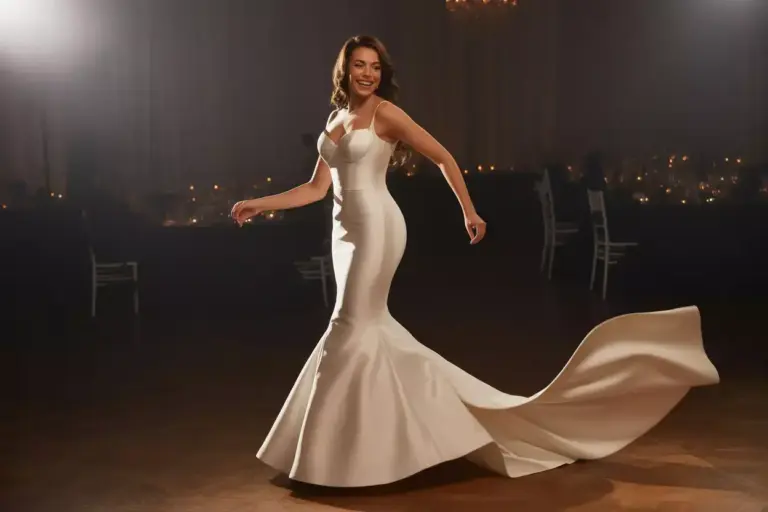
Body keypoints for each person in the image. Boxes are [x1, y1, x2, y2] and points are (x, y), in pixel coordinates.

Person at [231, 35, 719, 488]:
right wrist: (260, 203)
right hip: (344, 235)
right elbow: (316, 188)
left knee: (349, 325)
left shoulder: (386, 113)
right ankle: (363, 449)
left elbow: (443, 157)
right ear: (345, 70)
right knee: (365, 330)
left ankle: (337, 457)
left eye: (375, 67)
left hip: (378, 229)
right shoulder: (335, 118)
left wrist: (469, 209)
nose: (368, 74)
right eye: (359, 65)